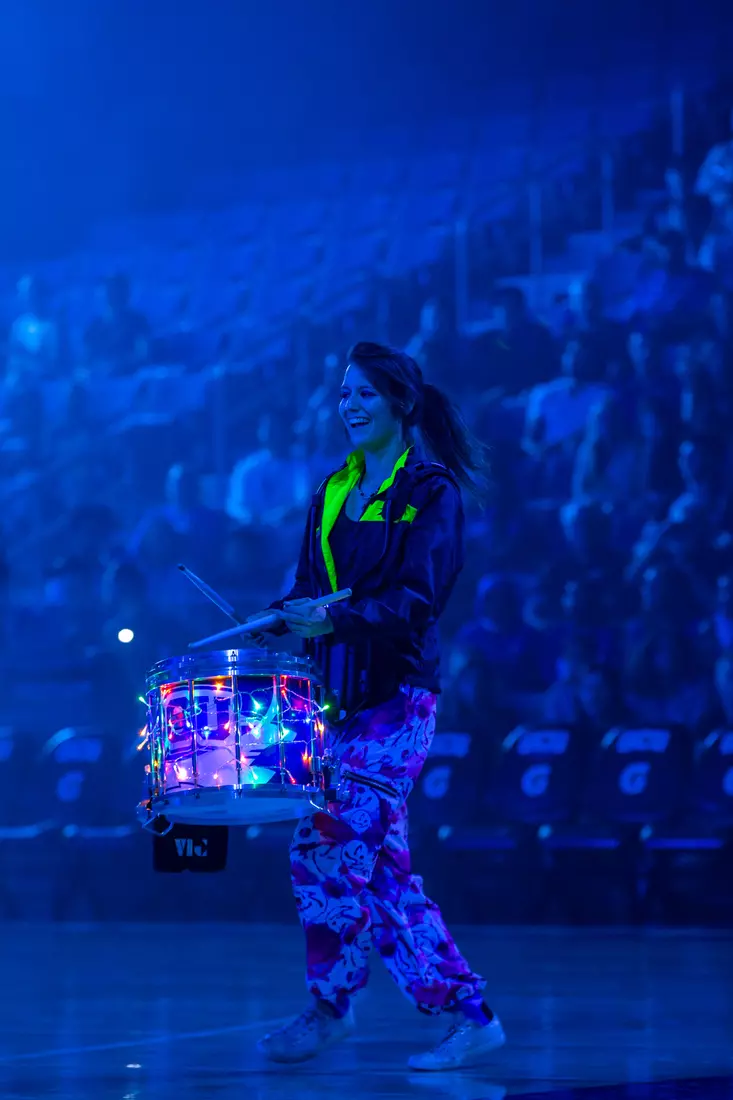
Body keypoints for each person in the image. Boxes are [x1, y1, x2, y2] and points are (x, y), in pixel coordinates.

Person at [251, 341, 505, 1071]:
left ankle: (332, 1006)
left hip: (398, 703)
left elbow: (416, 601)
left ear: (400, 403)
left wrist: (331, 619)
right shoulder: (332, 489)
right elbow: (311, 586)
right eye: (343, 395)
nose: (350, 406)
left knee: (323, 842)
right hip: (336, 703)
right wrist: (284, 615)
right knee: (379, 869)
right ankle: (468, 1014)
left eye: (365, 393)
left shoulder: (430, 492)